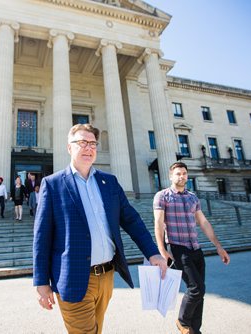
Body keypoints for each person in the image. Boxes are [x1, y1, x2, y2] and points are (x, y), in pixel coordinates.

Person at [33, 123, 168, 334]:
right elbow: (41, 239)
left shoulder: (109, 182)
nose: (89, 148)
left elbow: (132, 220)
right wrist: (41, 282)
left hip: (106, 277)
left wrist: (152, 252)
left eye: (93, 143)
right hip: (73, 278)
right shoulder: (52, 184)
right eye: (82, 143)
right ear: (69, 147)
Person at [153, 162, 230, 334]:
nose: (182, 177)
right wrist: (161, 250)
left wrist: (219, 246)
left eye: (184, 173)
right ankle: (182, 321)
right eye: (178, 173)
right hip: (178, 248)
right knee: (196, 288)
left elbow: (203, 222)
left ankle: (195, 331)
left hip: (195, 248)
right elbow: (158, 224)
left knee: (199, 292)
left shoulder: (192, 197)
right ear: (171, 176)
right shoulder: (162, 196)